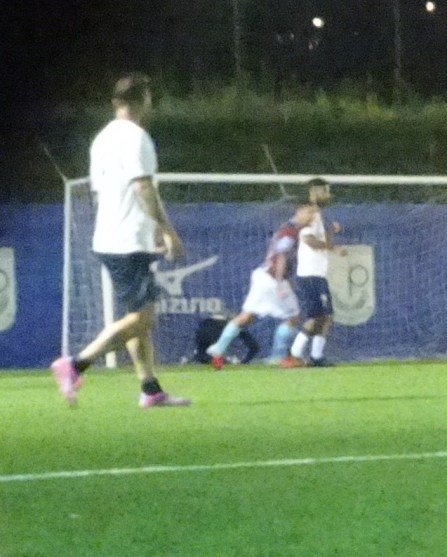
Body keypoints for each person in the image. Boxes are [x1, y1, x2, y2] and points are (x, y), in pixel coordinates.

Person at [49, 72, 191, 408]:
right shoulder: (136, 137)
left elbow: (109, 191)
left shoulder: (101, 139)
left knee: (135, 317)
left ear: (116, 102)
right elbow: (143, 187)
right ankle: (75, 364)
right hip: (127, 241)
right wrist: (166, 229)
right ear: (145, 100)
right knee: (142, 318)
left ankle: (150, 389)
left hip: (111, 236)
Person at [205, 202, 318, 369]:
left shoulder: (286, 229)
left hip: (262, 275)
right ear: (299, 211)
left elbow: (274, 254)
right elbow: (281, 256)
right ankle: (278, 356)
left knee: (246, 316)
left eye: (314, 214)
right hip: (272, 279)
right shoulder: (290, 231)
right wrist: (280, 282)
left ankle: (218, 349)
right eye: (310, 212)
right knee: (293, 316)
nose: (312, 217)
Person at [283, 179, 345, 367]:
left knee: (326, 316)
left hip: (317, 273)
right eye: (325, 190)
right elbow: (309, 240)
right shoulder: (311, 214)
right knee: (317, 316)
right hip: (310, 273)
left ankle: (316, 356)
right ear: (315, 191)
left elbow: (320, 241)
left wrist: (331, 232)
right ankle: (293, 354)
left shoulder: (317, 214)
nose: (328, 194)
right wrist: (334, 248)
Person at [192, 315, 259, 366]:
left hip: (204, 329)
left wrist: (244, 362)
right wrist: (244, 362)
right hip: (207, 331)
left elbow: (254, 347)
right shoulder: (234, 325)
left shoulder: (207, 324)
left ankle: (201, 359)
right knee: (208, 354)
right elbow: (254, 347)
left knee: (203, 354)